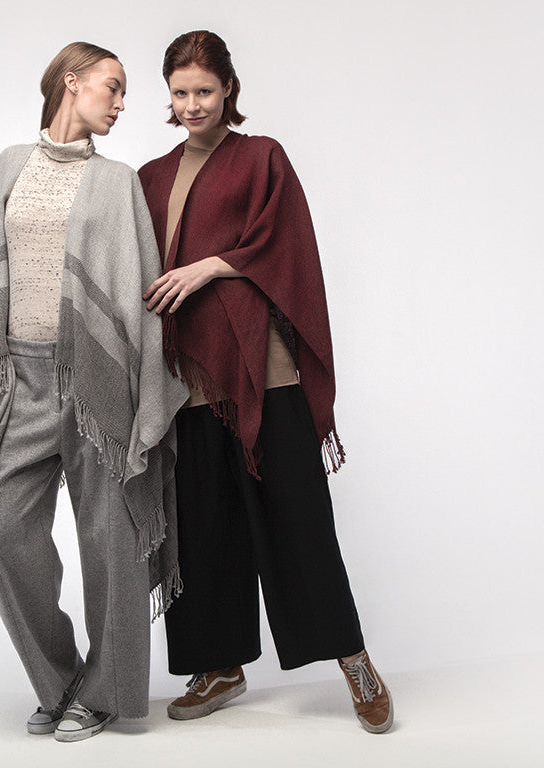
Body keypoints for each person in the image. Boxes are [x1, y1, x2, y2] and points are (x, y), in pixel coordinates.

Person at [138, 30, 393, 734]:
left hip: (262, 368)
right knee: (202, 526)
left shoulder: (260, 157)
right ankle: (218, 666)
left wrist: (209, 266)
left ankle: (353, 660)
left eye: (205, 91)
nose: (193, 104)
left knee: (298, 517)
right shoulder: (151, 177)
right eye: (180, 93)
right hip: (188, 378)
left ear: (229, 90)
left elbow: (285, 243)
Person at [0, 42, 188, 742]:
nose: (120, 103)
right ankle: (63, 683)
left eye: (123, 94)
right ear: (71, 81)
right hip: (21, 377)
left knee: (110, 541)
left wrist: (142, 388)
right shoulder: (10, 165)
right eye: (111, 87)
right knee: (3, 535)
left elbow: (135, 283)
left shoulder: (117, 182)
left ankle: (108, 691)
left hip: (95, 380)